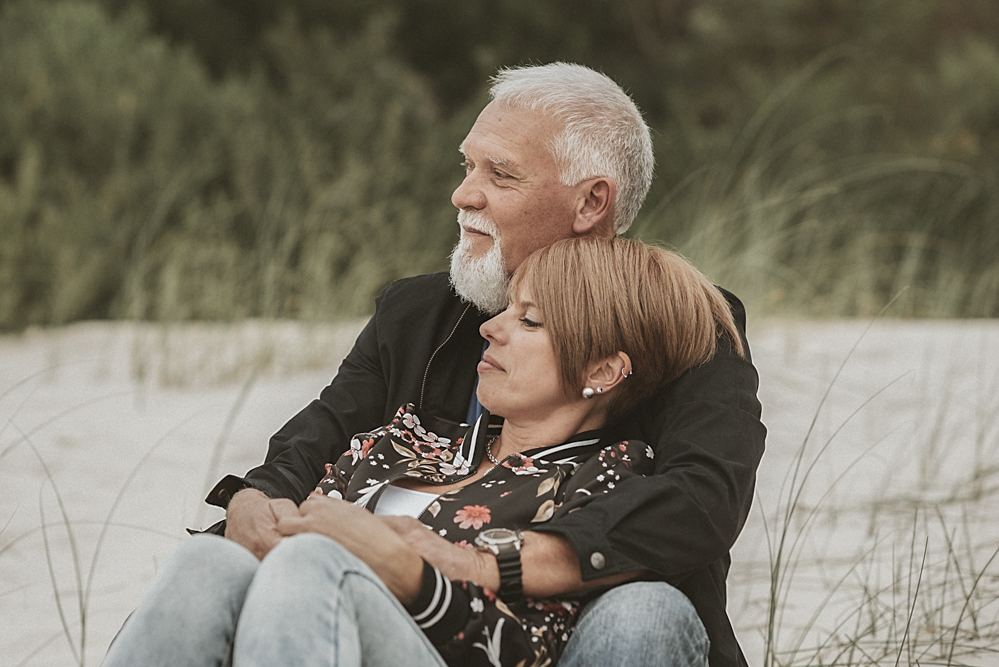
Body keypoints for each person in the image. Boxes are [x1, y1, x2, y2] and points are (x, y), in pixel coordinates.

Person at [207, 63, 765, 666]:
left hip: (579, 627)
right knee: (207, 567)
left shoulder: (682, 322)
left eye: (500, 174)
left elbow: (704, 497)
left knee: (646, 611)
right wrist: (255, 502)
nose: (464, 194)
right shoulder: (414, 313)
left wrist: (481, 561)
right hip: (393, 621)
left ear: (591, 203)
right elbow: (320, 436)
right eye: (467, 166)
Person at [102, 237, 747, 667]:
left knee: (311, 568)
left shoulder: (601, 485)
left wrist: (413, 576)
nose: (490, 328)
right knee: (205, 564)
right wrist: (258, 512)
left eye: (529, 321)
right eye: (506, 309)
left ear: (603, 371)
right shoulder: (406, 443)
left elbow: (538, 649)